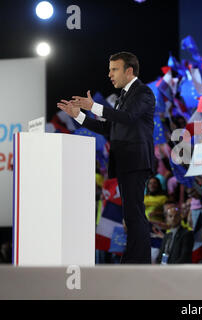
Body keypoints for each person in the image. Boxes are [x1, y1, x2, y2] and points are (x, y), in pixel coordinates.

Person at [57, 52, 156, 263]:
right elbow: (108, 128)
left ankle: (138, 263)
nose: (109, 74)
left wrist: (93, 106)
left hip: (136, 160)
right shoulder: (123, 97)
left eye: (114, 69)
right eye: (109, 69)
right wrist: (79, 116)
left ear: (129, 71)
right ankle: (136, 260)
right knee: (130, 214)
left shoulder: (143, 92)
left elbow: (128, 118)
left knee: (135, 213)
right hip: (125, 161)